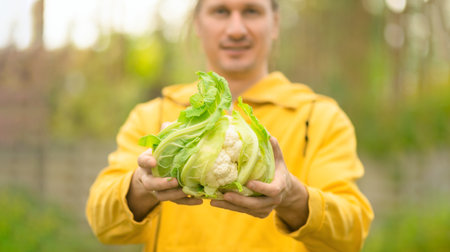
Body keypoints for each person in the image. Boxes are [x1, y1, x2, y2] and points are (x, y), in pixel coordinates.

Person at [86, 0, 374, 251]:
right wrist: (139, 186)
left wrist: (293, 197)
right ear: (198, 23)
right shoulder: (155, 115)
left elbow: (352, 235)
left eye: (251, 11)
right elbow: (102, 223)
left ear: (274, 24)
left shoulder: (320, 118)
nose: (236, 29)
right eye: (221, 11)